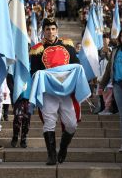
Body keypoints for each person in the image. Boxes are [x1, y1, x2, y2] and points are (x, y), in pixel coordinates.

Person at [30, 17, 80, 165]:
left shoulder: (68, 45)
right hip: (48, 92)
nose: (50, 32)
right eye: (47, 29)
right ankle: (51, 155)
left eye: (53, 29)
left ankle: (63, 148)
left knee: (71, 124)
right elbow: (34, 72)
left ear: (56, 30)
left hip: (66, 91)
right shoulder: (36, 50)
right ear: (43, 31)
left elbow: (76, 65)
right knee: (49, 122)